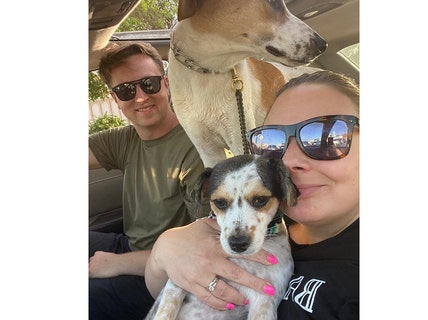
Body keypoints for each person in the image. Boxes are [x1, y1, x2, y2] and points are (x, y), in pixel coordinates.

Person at [145, 70, 360, 319]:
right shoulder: (264, 222)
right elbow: (156, 289)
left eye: (324, 137)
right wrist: (163, 252)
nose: (289, 160)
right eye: (273, 144)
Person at [88, 42, 210, 319]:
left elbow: (204, 248)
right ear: (116, 99)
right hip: (131, 246)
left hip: (167, 275)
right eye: (126, 90)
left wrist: (117, 264)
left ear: (166, 84)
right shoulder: (124, 140)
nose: (140, 97)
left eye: (149, 84)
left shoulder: (196, 150)